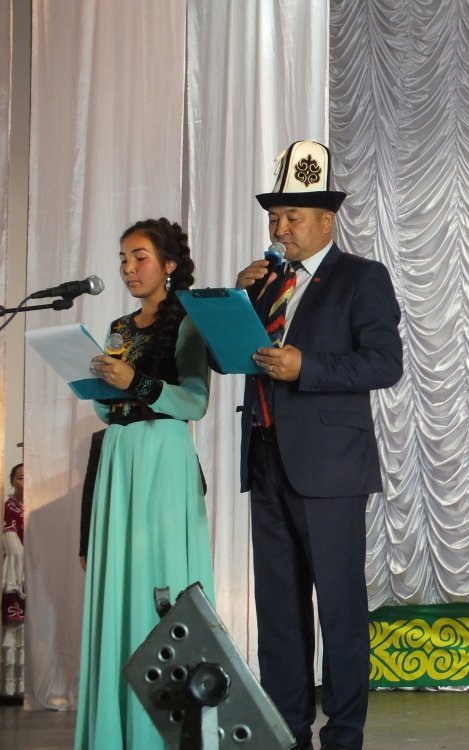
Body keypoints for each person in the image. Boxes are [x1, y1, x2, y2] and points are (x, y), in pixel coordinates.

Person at [235, 140, 402, 750]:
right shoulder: (264, 284)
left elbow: (384, 363)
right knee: (278, 609)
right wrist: (235, 300)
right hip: (266, 459)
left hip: (331, 468)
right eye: (274, 217)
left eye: (292, 216)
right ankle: (287, 729)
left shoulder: (362, 277)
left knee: (338, 606)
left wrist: (307, 366)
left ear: (327, 221)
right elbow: (237, 357)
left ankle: (345, 731)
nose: (280, 228)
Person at [74, 218, 214, 750]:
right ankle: (117, 728)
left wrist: (135, 382)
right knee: (121, 581)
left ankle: (165, 731)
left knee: (158, 580)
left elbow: (194, 402)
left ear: (169, 265)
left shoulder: (189, 323)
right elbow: (110, 410)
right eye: (123, 259)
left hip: (163, 457)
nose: (128, 268)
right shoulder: (119, 327)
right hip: (121, 455)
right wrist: (98, 387)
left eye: (140, 258)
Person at [1, 463, 25, 703]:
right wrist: (21, 574)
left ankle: (25, 686)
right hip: (16, 575)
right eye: (20, 478)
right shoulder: (9, 507)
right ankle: (10, 688)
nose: (24, 483)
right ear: (12, 481)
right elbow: (12, 545)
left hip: (34, 571)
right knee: (14, 626)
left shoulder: (37, 504)